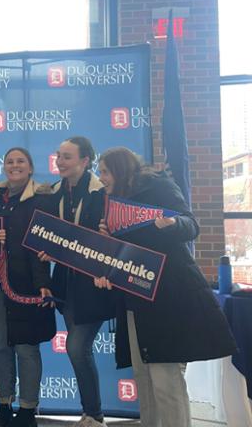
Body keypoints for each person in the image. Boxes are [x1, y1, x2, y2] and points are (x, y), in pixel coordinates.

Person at [94, 147, 236, 427]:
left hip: (168, 295)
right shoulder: (112, 201)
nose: (101, 179)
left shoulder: (158, 185)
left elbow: (191, 225)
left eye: (105, 172)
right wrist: (107, 237)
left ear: (121, 170)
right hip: (134, 297)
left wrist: (171, 224)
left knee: (165, 378)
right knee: (143, 376)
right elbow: (124, 248)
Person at [0, 147, 56, 427]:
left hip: (28, 286)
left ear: (30, 168)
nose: (14, 165)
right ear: (4, 167)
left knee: (27, 348)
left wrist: (44, 284)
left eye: (21, 161)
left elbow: (43, 245)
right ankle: (4, 404)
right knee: (1, 346)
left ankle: (28, 409)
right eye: (10, 161)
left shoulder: (42, 200)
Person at [45, 137, 114, 427]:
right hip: (65, 286)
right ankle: (91, 414)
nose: (60, 161)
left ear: (85, 162)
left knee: (76, 347)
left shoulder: (102, 194)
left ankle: (95, 415)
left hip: (94, 286)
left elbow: (111, 240)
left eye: (67, 157)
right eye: (59, 155)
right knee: (80, 350)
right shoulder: (54, 192)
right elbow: (50, 233)